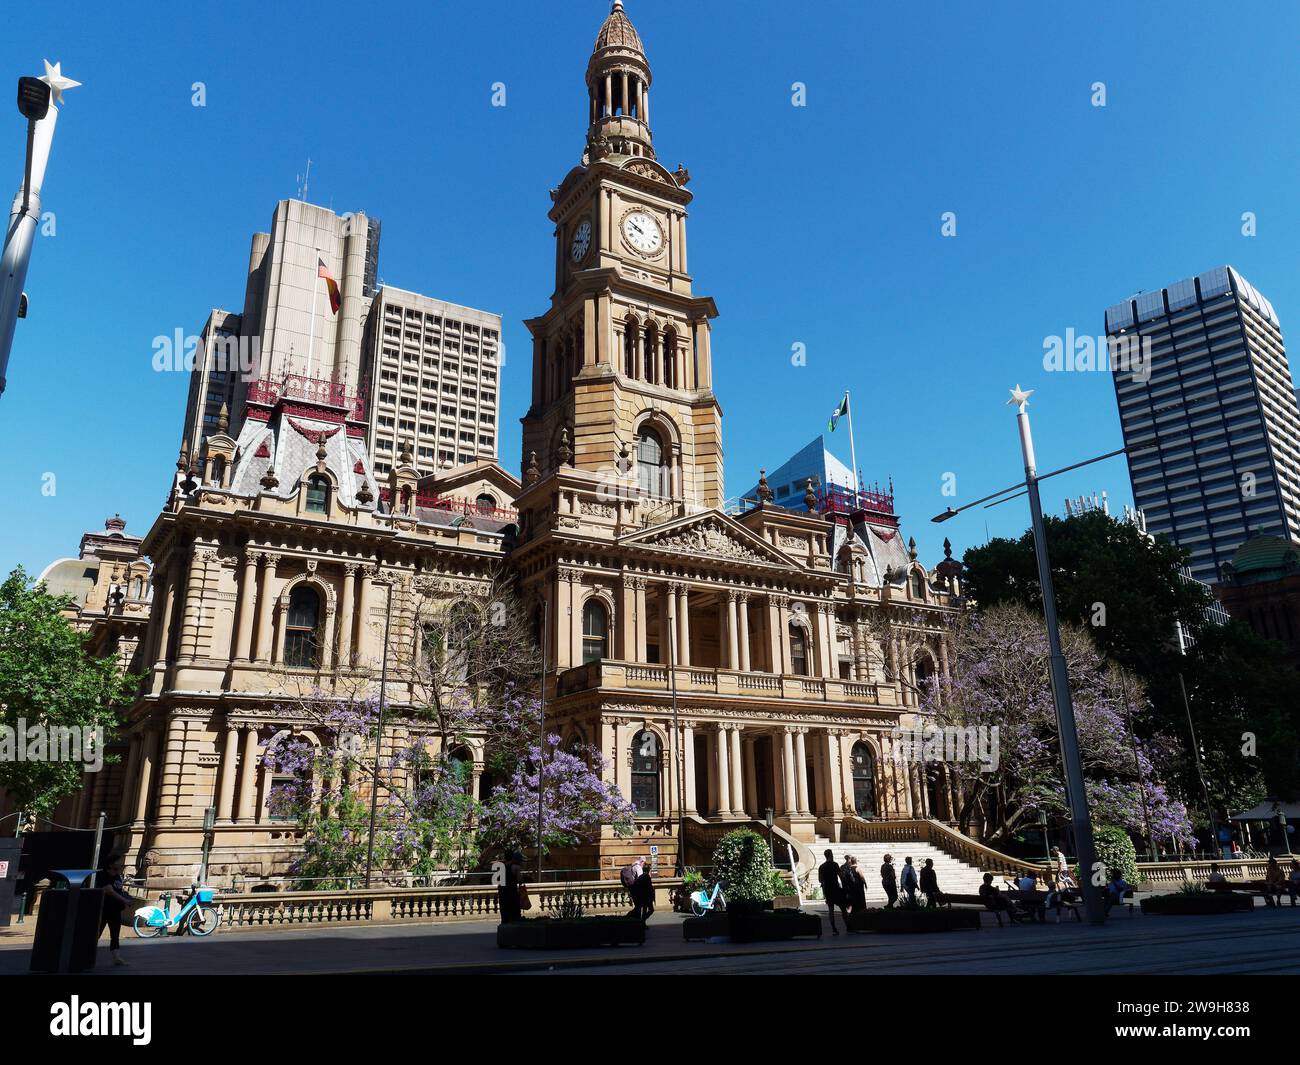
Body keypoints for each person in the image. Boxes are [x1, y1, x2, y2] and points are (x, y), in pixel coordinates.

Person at [96, 854, 133, 966]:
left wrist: (127, 897)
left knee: (115, 934)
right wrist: (124, 900)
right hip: (104, 909)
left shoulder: (117, 876)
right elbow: (110, 891)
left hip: (115, 910)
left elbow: (119, 890)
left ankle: (116, 957)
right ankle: (85, 954)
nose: (120, 864)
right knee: (96, 934)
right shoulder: (103, 875)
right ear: (111, 864)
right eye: (118, 862)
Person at [818, 849, 850, 934]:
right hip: (836, 888)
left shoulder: (822, 867)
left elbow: (820, 880)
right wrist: (845, 888)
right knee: (843, 908)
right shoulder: (835, 865)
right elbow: (841, 877)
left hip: (828, 889)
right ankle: (848, 926)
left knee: (831, 909)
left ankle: (834, 928)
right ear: (831, 855)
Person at [498, 850, 526, 924]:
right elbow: (520, 880)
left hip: (502, 894)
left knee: (505, 917)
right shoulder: (516, 867)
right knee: (515, 917)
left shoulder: (501, 867)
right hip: (512, 894)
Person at [631, 856, 655, 923]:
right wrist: (652, 896)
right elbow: (649, 888)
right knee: (650, 910)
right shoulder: (646, 876)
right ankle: (641, 921)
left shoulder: (635, 868)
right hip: (646, 896)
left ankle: (642, 923)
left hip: (640, 895)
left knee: (641, 910)